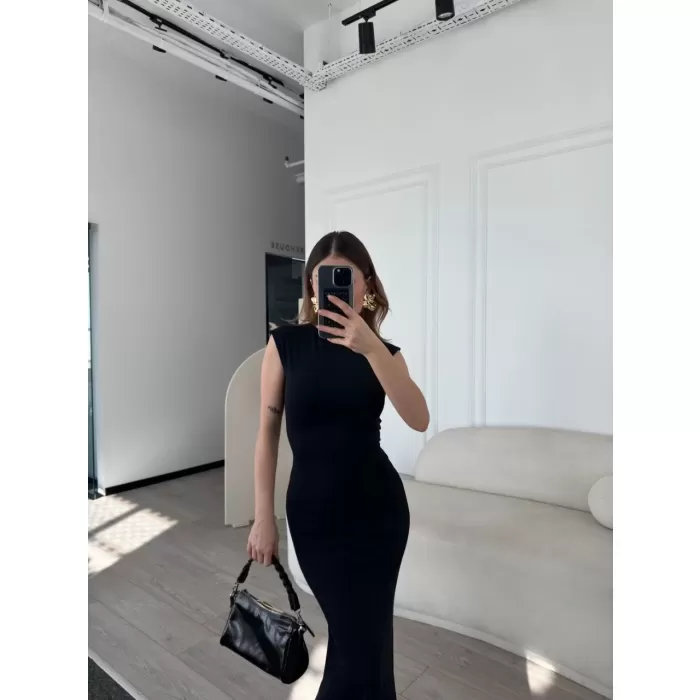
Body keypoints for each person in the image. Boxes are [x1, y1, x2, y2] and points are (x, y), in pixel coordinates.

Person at [247, 230, 429, 699]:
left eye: (346, 278)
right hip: (315, 519)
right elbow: (267, 434)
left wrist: (371, 347)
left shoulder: (385, 354)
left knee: (368, 644)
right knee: (356, 642)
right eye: (323, 278)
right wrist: (264, 517)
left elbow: (419, 418)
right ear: (311, 285)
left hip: (379, 514)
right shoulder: (285, 344)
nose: (331, 287)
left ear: (366, 285)